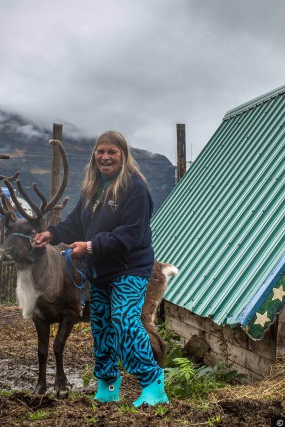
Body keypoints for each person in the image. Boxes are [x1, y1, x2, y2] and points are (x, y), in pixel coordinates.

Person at [33, 130, 167, 407]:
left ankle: (153, 385)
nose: (105, 157)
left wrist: (90, 247)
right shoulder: (92, 188)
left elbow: (130, 234)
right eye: (100, 151)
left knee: (125, 322)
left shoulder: (135, 188)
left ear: (123, 156)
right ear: (94, 156)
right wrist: (51, 234)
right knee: (102, 327)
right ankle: (108, 385)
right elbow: (75, 225)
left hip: (130, 268)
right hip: (100, 272)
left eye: (112, 152)